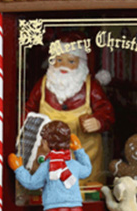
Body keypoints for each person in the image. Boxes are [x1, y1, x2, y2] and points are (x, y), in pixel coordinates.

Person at [25, 34, 114, 184]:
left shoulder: (91, 87)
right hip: (48, 155)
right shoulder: (44, 84)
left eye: (71, 61)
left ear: (81, 63)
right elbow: (28, 110)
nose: (63, 66)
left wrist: (98, 121)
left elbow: (107, 112)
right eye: (59, 60)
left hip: (84, 154)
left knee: (85, 188)